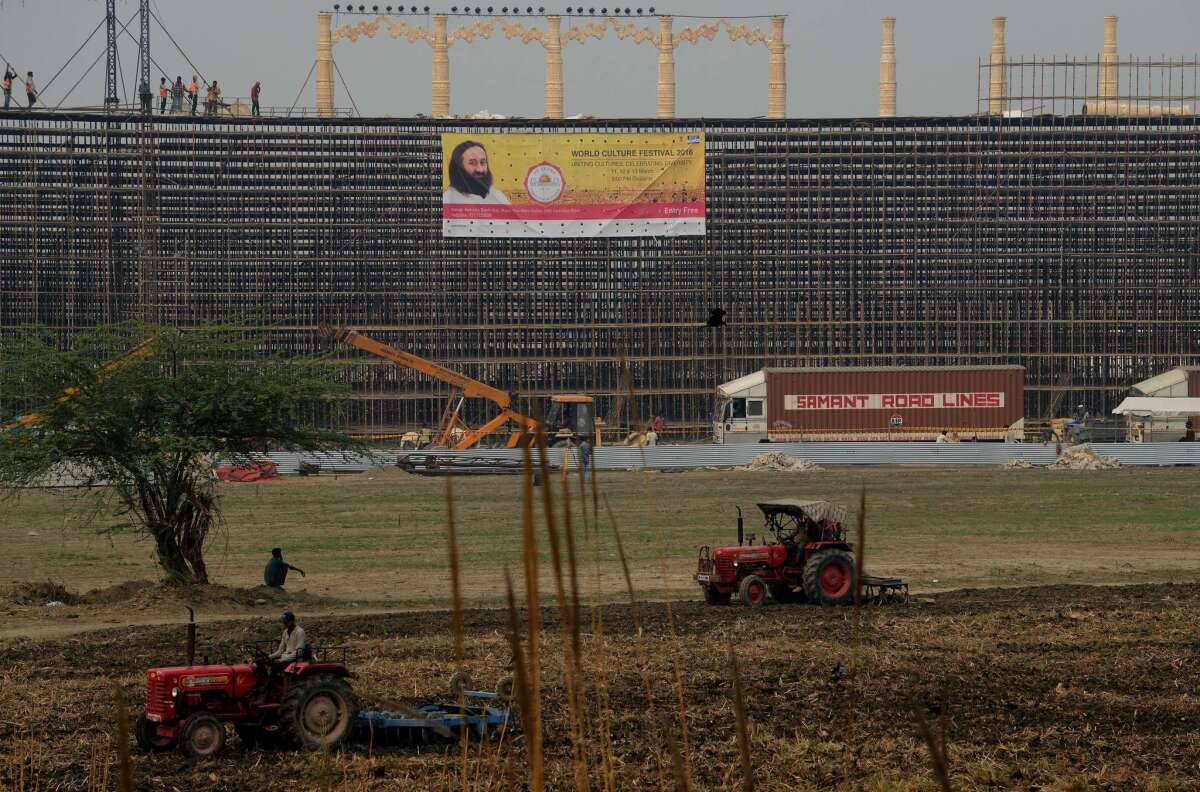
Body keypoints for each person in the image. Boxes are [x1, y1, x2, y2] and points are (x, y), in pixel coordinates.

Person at [442, 139, 510, 204]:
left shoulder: (497, 196)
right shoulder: (447, 200)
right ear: (459, 168)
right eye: (472, 163)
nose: (480, 169)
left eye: (483, 162)